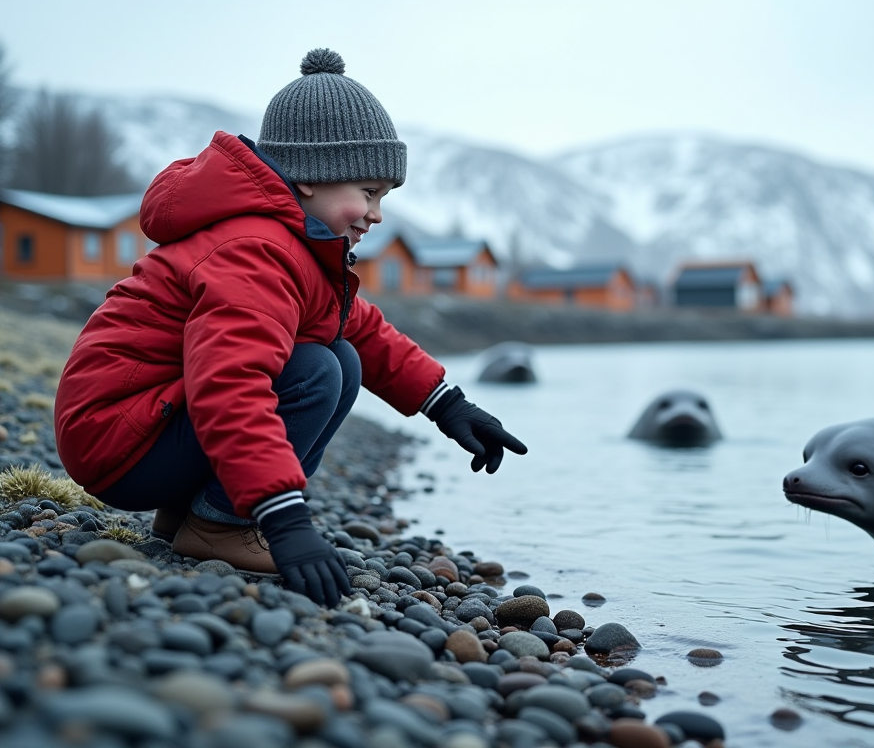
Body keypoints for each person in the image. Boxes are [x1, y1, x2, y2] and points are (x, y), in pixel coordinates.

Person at [53, 48, 527, 607]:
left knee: (342, 355)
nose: (377, 214)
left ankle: (189, 516)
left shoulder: (292, 246)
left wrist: (447, 404)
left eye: (384, 198)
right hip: (118, 441)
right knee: (318, 370)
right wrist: (284, 517)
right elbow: (231, 386)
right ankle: (223, 525)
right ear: (310, 179)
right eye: (369, 193)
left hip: (141, 426)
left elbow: (362, 327)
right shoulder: (255, 250)